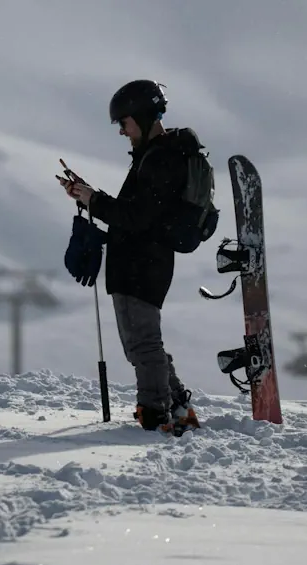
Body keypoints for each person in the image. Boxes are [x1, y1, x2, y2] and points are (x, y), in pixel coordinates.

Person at [57, 79, 204, 434]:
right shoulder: (155, 158)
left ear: (140, 115)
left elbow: (137, 218)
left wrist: (93, 200)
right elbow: (138, 215)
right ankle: (178, 407)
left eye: (123, 122)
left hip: (142, 266)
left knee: (142, 344)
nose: (122, 131)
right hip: (143, 263)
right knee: (145, 343)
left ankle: (156, 414)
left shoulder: (160, 159)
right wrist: (88, 196)